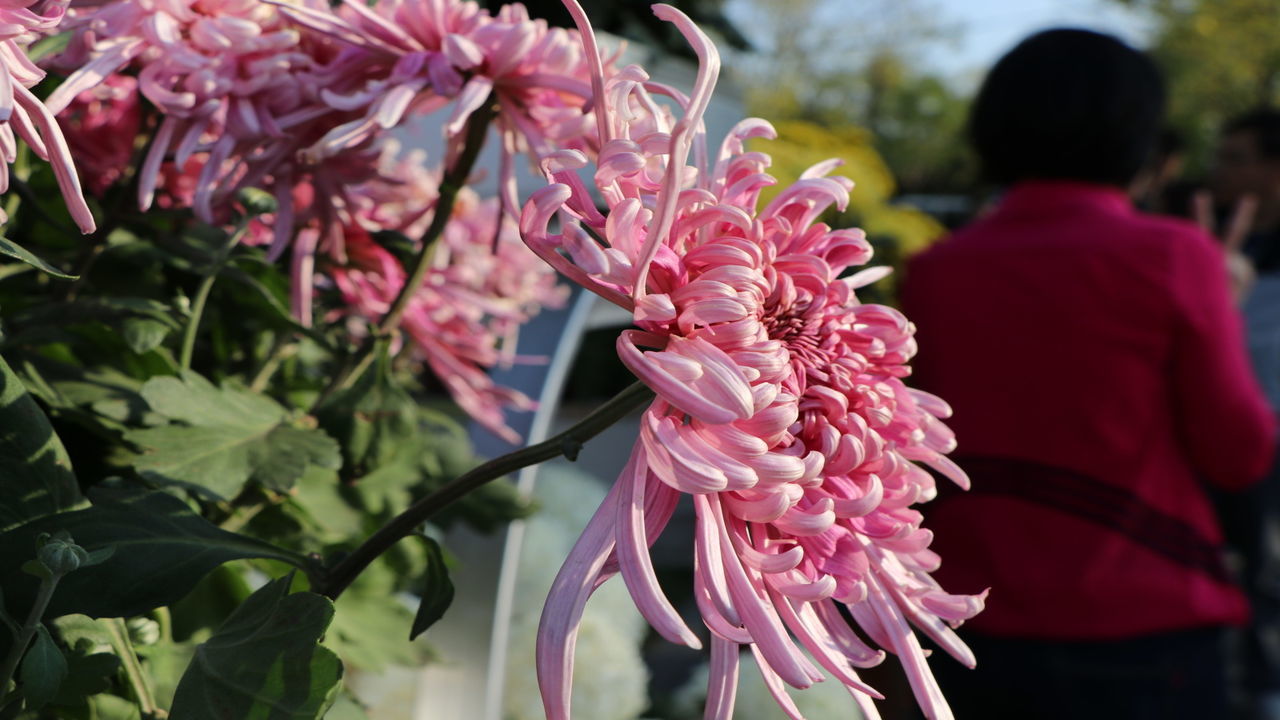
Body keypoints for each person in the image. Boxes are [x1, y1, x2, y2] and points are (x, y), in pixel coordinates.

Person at [899, 29, 1277, 719]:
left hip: (971, 622)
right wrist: (1227, 309)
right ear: (1137, 135)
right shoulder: (1174, 255)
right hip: (1146, 624)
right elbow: (1239, 452)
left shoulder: (934, 273)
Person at [1211, 108, 1280, 720]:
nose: (1219, 170)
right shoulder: (1230, 244)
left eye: (1236, 157)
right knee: (1257, 567)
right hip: (1244, 430)